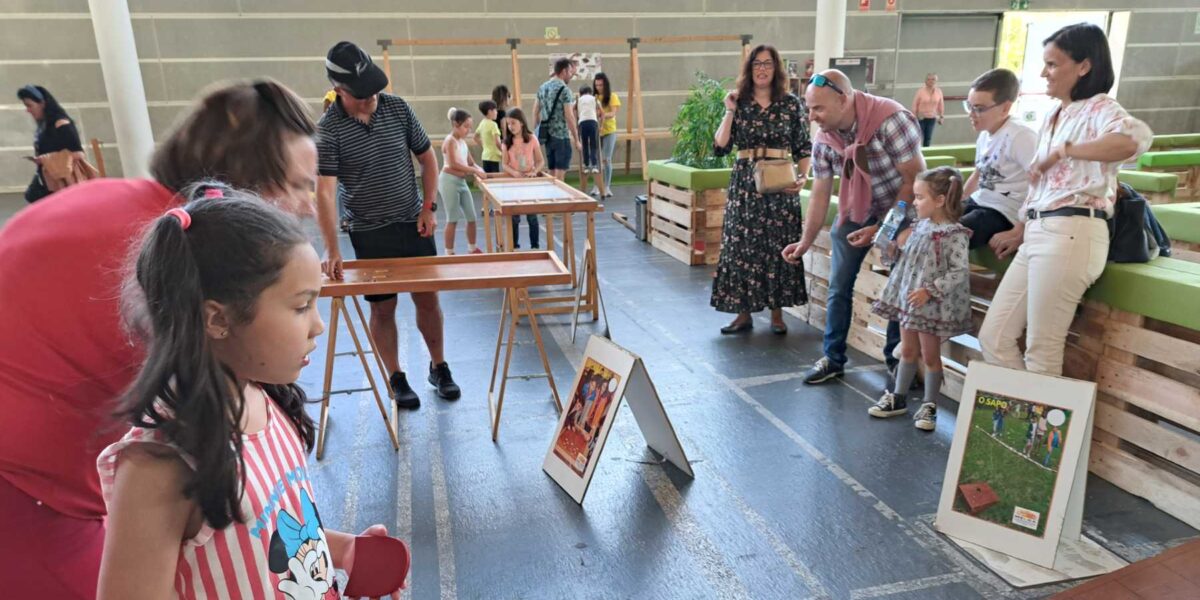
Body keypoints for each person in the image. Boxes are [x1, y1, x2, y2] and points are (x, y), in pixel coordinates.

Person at [0, 78, 319, 599]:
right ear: (245, 186)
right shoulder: (169, 273)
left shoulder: (144, 222)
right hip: (29, 493)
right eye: (299, 185)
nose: (307, 205)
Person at [97, 194, 403, 600]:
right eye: (301, 307)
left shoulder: (266, 401)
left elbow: (272, 527)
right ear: (218, 319)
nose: (318, 327)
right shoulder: (160, 466)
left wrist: (341, 549)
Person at [978, 23, 1152, 376]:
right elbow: (1042, 187)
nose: (1044, 73)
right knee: (994, 337)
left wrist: (1065, 150)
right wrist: (1022, 227)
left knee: (1042, 352)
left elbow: (1134, 142)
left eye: (1053, 64)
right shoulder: (1055, 114)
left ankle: (1042, 429)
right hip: (1041, 230)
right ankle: (1030, 421)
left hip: (1072, 231)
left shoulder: (1101, 108)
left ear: (1084, 66)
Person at [316, 41, 460, 409]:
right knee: (383, 309)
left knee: (428, 300)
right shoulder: (329, 130)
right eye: (362, 95)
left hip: (414, 224)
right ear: (339, 89)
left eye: (374, 91)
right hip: (369, 232)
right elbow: (325, 193)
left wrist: (428, 208)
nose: (371, 99)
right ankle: (396, 376)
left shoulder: (397, 109)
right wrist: (332, 248)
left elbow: (428, 161)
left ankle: (439, 366)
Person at [784, 69, 925, 385]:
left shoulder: (891, 120)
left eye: (817, 108)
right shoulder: (824, 139)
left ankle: (895, 360)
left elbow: (914, 180)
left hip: (901, 208)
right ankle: (833, 358)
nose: (812, 116)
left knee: (897, 288)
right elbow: (820, 194)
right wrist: (805, 242)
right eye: (809, 108)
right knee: (839, 286)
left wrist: (881, 229)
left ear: (844, 99)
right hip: (856, 208)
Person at [712, 44, 811, 336]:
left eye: (767, 63)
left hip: (780, 182)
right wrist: (729, 111)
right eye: (756, 63)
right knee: (741, 246)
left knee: (778, 244)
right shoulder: (739, 101)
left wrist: (804, 176)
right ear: (749, 68)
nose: (762, 69)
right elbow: (720, 146)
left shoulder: (791, 103)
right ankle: (743, 314)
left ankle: (777, 314)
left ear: (776, 67)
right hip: (746, 184)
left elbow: (803, 146)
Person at [868, 167, 972, 431]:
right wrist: (891, 250)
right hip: (909, 301)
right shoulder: (918, 227)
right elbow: (907, 262)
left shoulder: (954, 234)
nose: (914, 202)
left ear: (939, 200)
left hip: (930, 306)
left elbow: (959, 271)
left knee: (930, 355)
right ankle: (898, 397)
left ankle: (929, 404)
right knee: (908, 351)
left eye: (920, 197)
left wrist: (931, 290)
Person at [960, 68, 1038, 251]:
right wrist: (958, 203)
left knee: (948, 237)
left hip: (1003, 213)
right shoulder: (985, 134)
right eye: (969, 106)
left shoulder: (1021, 137)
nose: (971, 113)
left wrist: (1020, 229)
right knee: (929, 225)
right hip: (979, 202)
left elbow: (1043, 184)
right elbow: (978, 174)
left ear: (1005, 108)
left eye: (979, 108)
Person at [16, 85, 83, 203]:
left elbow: (78, 154)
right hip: (49, 175)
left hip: (62, 177)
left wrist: (45, 159)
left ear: (42, 103)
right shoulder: (44, 124)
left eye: (29, 105)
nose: (28, 110)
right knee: (33, 196)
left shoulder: (61, 123)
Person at [440, 107, 488, 255]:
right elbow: (454, 164)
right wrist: (474, 171)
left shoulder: (462, 142)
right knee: (453, 218)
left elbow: (471, 162)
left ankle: (472, 248)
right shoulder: (450, 141)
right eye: (466, 126)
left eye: (470, 127)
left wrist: (480, 169)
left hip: (461, 182)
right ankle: (449, 252)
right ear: (456, 124)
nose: (468, 130)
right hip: (449, 182)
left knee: (471, 216)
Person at [502, 107, 545, 249]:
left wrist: (535, 172)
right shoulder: (506, 142)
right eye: (508, 124)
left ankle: (535, 246)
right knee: (514, 217)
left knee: (532, 216)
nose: (510, 127)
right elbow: (504, 164)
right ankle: (514, 246)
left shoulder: (532, 139)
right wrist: (513, 173)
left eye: (513, 123)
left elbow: (540, 161)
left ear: (521, 122)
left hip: (529, 183)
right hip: (514, 184)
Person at [532, 57, 581, 180]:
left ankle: (550, 197)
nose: (571, 75)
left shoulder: (543, 87)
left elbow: (535, 112)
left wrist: (537, 130)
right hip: (561, 136)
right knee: (560, 173)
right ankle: (560, 198)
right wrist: (576, 139)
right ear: (564, 71)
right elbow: (569, 116)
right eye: (570, 72)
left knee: (551, 170)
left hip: (548, 136)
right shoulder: (565, 90)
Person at [592, 72, 621, 197]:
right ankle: (597, 186)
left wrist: (602, 114)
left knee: (606, 159)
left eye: (601, 85)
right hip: (597, 131)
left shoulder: (612, 96)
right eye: (597, 85)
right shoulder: (594, 98)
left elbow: (613, 113)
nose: (599, 87)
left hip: (609, 131)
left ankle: (607, 186)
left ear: (606, 85)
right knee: (596, 160)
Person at [912, 73, 944, 147]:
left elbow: (941, 105)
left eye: (933, 79)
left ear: (936, 81)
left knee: (928, 138)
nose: (931, 81)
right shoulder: (920, 91)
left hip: (932, 118)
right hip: (921, 118)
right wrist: (914, 117)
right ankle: (917, 155)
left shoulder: (939, 92)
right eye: (928, 79)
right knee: (918, 138)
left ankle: (926, 154)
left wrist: (941, 116)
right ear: (925, 81)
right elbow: (914, 105)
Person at [576, 85, 601, 174]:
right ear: (590, 92)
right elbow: (601, 111)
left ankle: (586, 166)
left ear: (581, 93)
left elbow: (572, 109)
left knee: (585, 144)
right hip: (593, 122)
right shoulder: (594, 98)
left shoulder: (579, 99)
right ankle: (594, 165)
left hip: (582, 122)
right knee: (593, 144)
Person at [475, 100, 503, 175]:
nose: (497, 112)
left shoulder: (482, 123)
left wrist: (484, 145)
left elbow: (475, 137)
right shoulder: (493, 125)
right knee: (495, 178)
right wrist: (503, 151)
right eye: (495, 110)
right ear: (490, 111)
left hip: (485, 155)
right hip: (494, 156)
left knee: (487, 177)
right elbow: (497, 142)